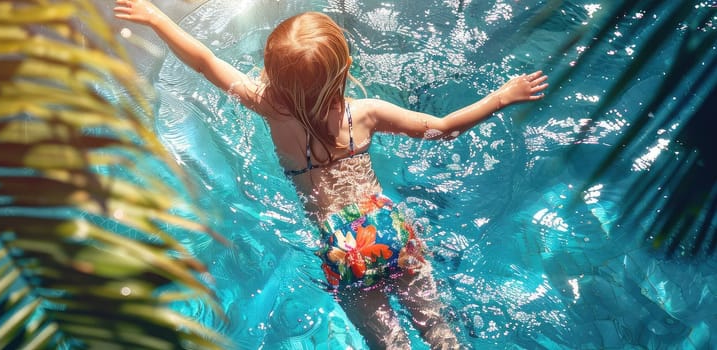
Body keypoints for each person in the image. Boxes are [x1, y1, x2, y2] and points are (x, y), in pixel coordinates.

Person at [114, 1, 548, 349]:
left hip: (343, 246)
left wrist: (156, 17)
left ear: (275, 76)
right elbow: (445, 127)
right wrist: (502, 96)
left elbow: (206, 61)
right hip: (389, 227)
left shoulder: (271, 108)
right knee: (439, 332)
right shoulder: (366, 113)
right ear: (342, 70)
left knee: (391, 344)